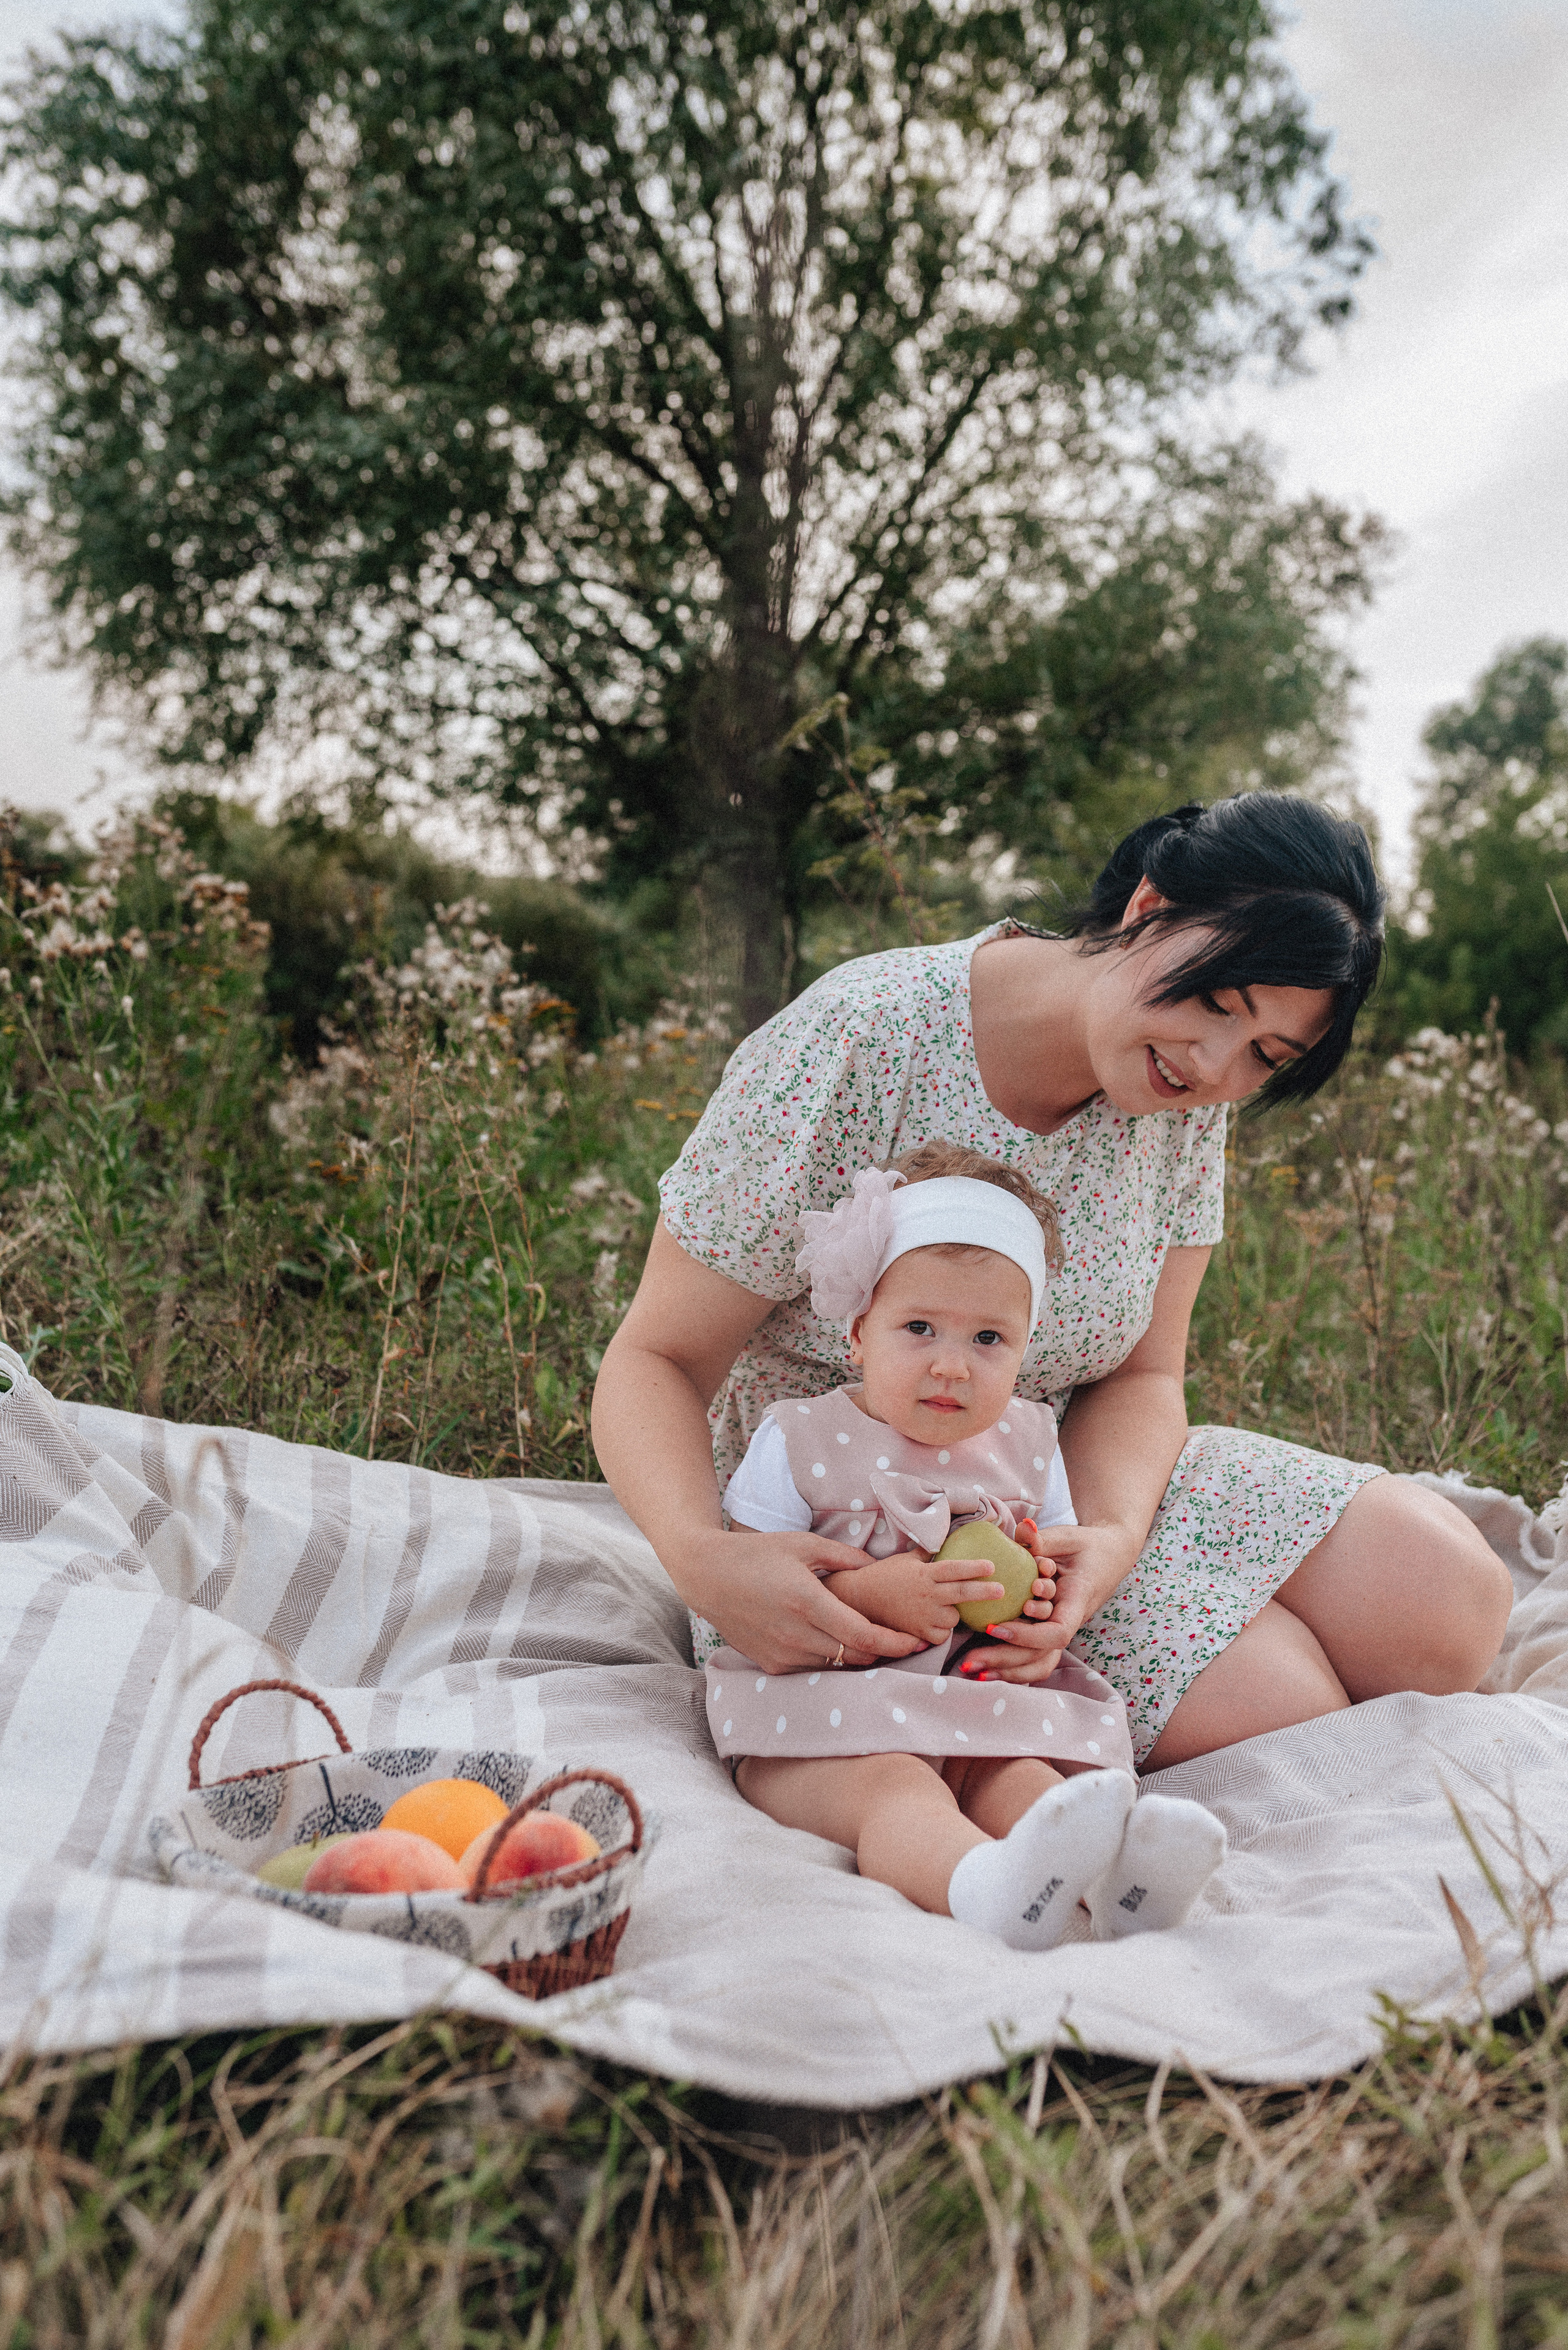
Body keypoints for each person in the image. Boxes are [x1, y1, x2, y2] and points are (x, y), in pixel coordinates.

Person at [592, 793, 1515, 1777]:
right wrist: (708, 1560)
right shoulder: (861, 1039)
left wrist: (1107, 1543)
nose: (1213, 1067)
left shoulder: (1185, 1098)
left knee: (1455, 1600)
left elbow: (1146, 1375)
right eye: (1217, 1003)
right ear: (1148, 905)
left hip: (1067, 1485)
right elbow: (659, 1356)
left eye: (1265, 1056)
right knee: (1291, 1707)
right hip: (857, 1530)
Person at [706, 1142, 1227, 1949]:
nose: (952, 1365)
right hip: (830, 1716)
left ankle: (1117, 1886)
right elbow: (751, 1598)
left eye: (989, 1339)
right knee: (897, 1788)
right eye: (919, 1327)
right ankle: (980, 1886)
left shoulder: (1028, 1442)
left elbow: (1047, 1563)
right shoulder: (802, 1439)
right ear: (858, 1332)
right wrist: (873, 1597)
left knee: (1026, 1781)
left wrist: (1038, 1618)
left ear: (1025, 1350)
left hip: (975, 1699)